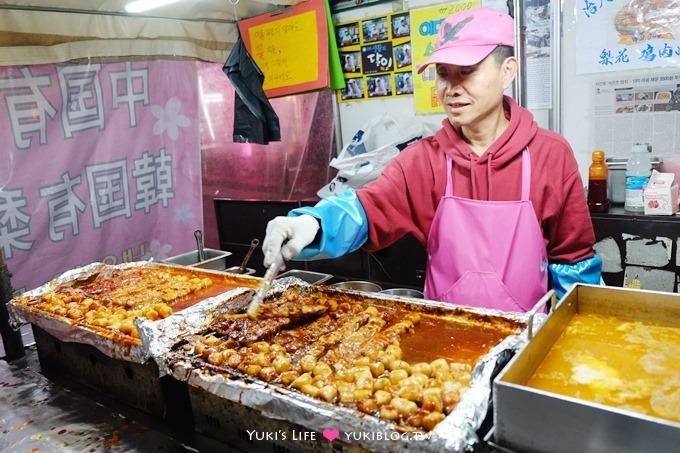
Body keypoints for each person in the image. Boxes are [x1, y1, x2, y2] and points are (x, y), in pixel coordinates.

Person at [262, 7, 601, 312]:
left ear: (507, 71)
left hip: (528, 343)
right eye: (443, 73)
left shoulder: (550, 155)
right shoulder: (424, 160)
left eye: (467, 71)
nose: (451, 88)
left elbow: (573, 262)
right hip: (444, 341)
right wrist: (312, 224)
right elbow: (367, 209)